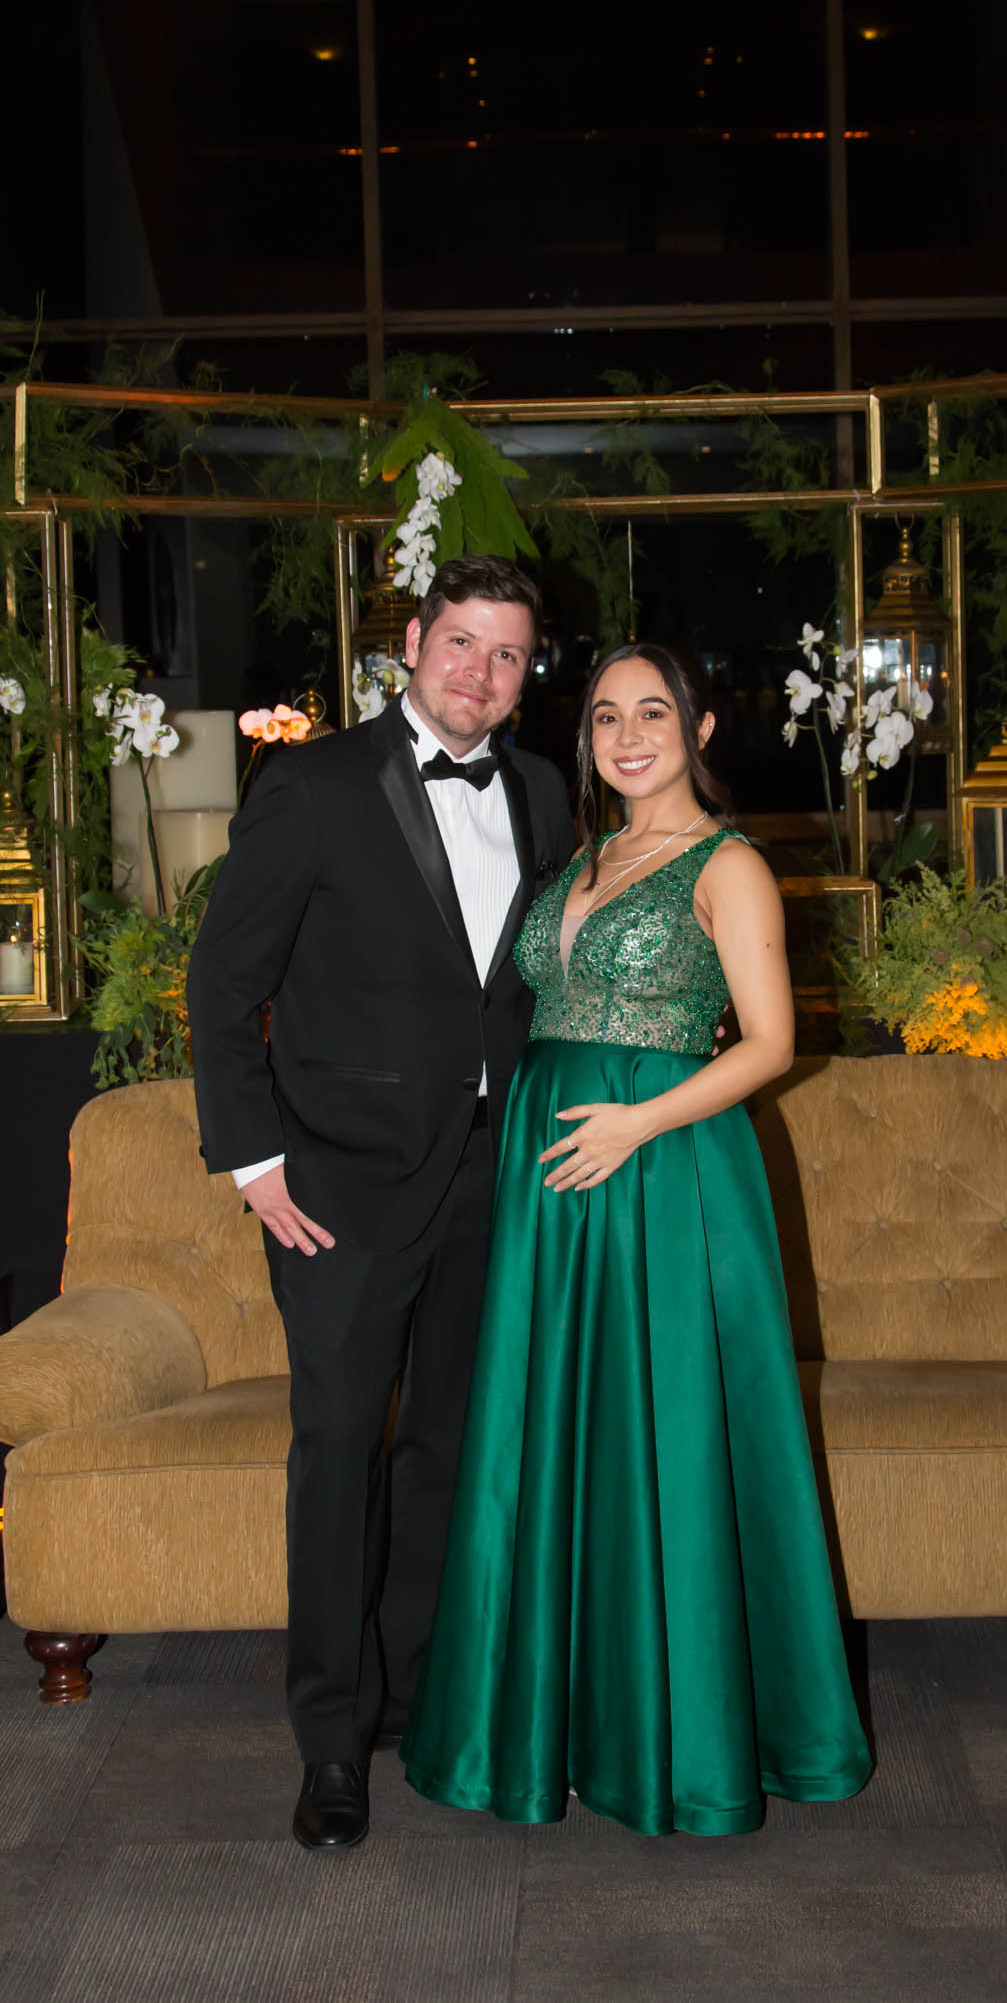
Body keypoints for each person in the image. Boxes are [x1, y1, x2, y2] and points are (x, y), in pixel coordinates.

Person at [402, 642, 870, 1835]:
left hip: (661, 1170)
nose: (626, 735)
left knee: (661, 1441)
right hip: (553, 1174)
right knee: (556, 1439)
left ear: (699, 728)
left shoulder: (731, 864)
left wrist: (637, 1123)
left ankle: (682, 1746)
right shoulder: (584, 858)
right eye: (605, 716)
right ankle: (555, 1727)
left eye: (651, 712)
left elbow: (770, 1043)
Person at [186, 555, 574, 1854]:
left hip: (492, 1172)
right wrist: (254, 1162)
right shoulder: (309, 784)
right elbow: (221, 982)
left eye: (506, 654)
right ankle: (329, 1739)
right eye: (460, 643)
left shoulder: (540, 791)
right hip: (337, 1182)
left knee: (448, 1449)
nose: (479, 672)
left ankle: (413, 1696)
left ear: (526, 672)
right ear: (410, 641)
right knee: (340, 1448)